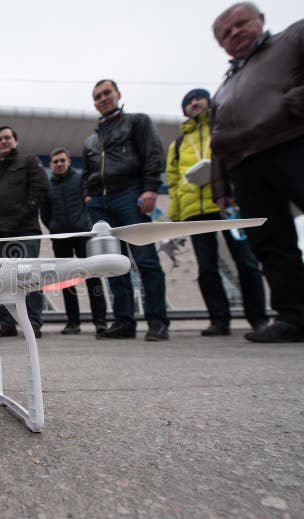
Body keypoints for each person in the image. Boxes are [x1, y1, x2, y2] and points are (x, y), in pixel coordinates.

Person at [210, 3, 304, 346]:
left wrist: (298, 102)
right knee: (271, 244)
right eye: (225, 34)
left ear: (260, 20)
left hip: (301, 143)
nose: (234, 34)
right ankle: (294, 315)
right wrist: (221, 188)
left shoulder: (300, 34)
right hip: (246, 164)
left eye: (239, 24)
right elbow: (217, 139)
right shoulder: (225, 86)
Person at [167, 88, 267, 337]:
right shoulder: (178, 144)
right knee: (207, 267)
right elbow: (173, 180)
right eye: (188, 101)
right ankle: (218, 320)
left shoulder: (223, 128)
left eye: (198, 98)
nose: (194, 103)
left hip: (227, 207)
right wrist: (176, 215)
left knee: (246, 262)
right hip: (194, 212)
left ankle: (259, 319)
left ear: (209, 102)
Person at [83, 79, 169, 341]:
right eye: (97, 96)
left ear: (118, 94)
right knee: (114, 265)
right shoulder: (91, 139)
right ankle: (124, 322)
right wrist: (88, 196)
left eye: (107, 92)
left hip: (130, 195)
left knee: (145, 260)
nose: (103, 98)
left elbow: (153, 152)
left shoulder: (137, 122)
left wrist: (151, 188)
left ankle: (157, 322)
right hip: (100, 203)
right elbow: (87, 171)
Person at [0, 126, 49, 338]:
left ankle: (34, 322)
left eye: (7, 137)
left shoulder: (28, 161)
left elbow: (41, 187)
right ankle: (6, 323)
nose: (3, 141)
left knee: (29, 278)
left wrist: (25, 211)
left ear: (15, 141)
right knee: (3, 281)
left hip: (23, 231)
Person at [41, 147, 108, 336]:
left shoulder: (80, 179)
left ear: (69, 161)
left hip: (83, 235)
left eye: (63, 160)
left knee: (92, 277)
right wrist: (54, 226)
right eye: (56, 161)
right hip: (60, 237)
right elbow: (45, 213)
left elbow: (90, 203)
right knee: (66, 280)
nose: (60, 164)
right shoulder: (48, 186)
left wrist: (86, 224)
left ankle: (100, 322)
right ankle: (73, 322)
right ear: (51, 165)